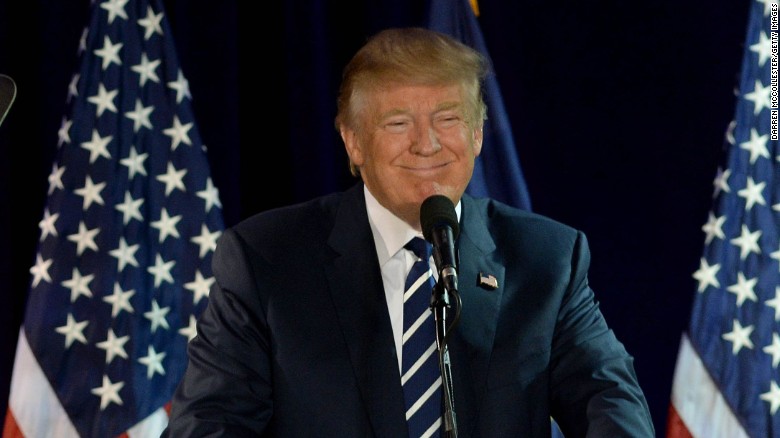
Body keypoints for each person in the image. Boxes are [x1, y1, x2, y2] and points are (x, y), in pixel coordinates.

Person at [164, 27, 655, 437]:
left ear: (478, 133)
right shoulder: (267, 259)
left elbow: (607, 397)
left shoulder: (545, 258)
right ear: (353, 142)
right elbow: (209, 423)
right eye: (399, 123)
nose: (428, 144)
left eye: (448, 119)